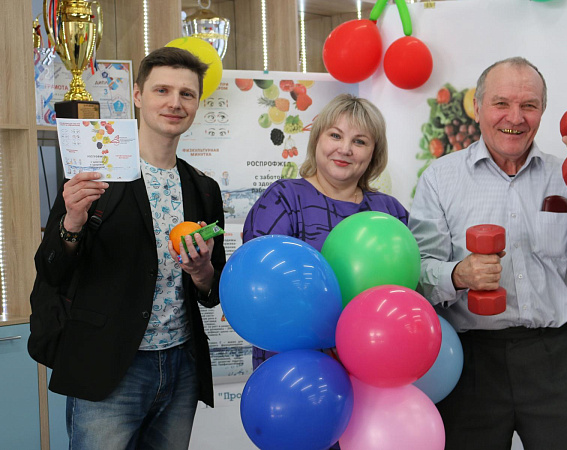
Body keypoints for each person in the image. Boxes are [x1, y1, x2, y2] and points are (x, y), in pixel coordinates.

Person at [408, 57, 567, 450]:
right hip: (468, 359)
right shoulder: (440, 179)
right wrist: (458, 274)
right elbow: (417, 275)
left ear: (543, 111)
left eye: (529, 105)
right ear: (477, 107)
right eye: (501, 103)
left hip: (554, 356)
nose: (515, 117)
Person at [29, 47, 226, 449]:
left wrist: (202, 271)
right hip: (109, 365)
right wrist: (72, 222)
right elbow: (50, 269)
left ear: (197, 104)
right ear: (137, 95)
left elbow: (212, 291)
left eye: (187, 94)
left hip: (181, 364)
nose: (175, 103)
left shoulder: (204, 188)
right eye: (162, 90)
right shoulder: (94, 176)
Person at [242, 93, 409, 369]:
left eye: (360, 141)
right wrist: (333, 335)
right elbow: (262, 287)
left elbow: (407, 295)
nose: (345, 149)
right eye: (335, 135)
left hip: (373, 366)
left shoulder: (390, 212)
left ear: (374, 153)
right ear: (317, 140)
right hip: (295, 369)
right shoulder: (283, 199)